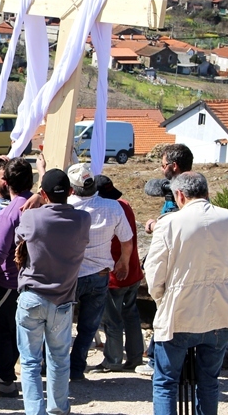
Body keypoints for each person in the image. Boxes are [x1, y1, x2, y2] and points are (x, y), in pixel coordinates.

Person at [142, 172, 228, 415]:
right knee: (209, 382)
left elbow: (155, 271)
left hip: (180, 311)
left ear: (179, 196)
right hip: (220, 310)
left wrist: (161, 298)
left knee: (165, 383)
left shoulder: (170, 223)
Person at [14, 169, 90, 415]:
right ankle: (57, 411)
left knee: (31, 362)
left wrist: (36, 199)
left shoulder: (32, 217)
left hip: (33, 296)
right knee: (58, 358)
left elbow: (18, 240)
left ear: (43, 193)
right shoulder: (83, 219)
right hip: (63, 300)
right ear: (70, 191)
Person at [67, 163, 133, 381]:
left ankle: (56, 368)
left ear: (72, 187)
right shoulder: (113, 207)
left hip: (70, 276)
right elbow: (127, 239)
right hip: (99, 274)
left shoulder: (66, 207)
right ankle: (76, 369)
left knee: (60, 325)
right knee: (88, 327)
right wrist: (123, 262)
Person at [0, 158, 34, 398]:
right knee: (14, 329)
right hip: (35, 280)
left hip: (10, 280)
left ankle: (3, 378)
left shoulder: (8, 214)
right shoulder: (38, 204)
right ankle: (9, 373)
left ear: (7, 183)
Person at [140, 143, 194, 377]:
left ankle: (158, 362)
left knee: (166, 313)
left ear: (173, 166)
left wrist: (155, 224)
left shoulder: (182, 191)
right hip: (187, 261)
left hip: (175, 263)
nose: (161, 170)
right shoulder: (196, 184)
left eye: (163, 165)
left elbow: (177, 223)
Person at [89, 175, 145, 373]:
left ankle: (112, 360)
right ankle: (135, 357)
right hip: (132, 272)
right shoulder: (124, 205)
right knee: (131, 315)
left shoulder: (104, 212)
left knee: (112, 320)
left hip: (115, 275)